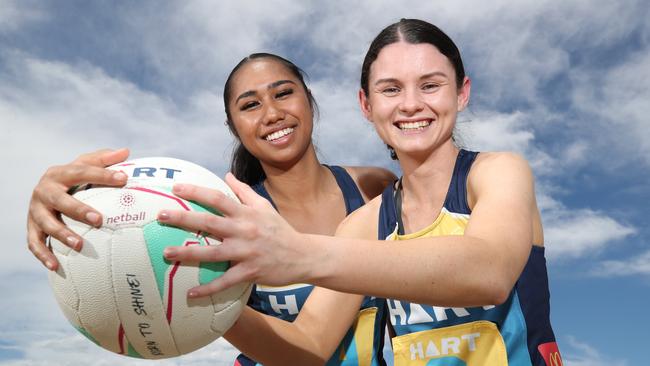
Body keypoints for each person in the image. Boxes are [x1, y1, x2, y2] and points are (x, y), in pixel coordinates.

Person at [156, 19, 563, 365]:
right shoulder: (366, 222)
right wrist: (184, 298)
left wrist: (297, 254)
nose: (410, 104)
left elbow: (487, 272)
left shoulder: (499, 173)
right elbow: (311, 345)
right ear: (366, 105)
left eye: (430, 85)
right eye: (390, 89)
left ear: (461, 92)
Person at [26, 53, 395, 365]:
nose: (272, 113)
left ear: (309, 100)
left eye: (283, 93)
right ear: (233, 125)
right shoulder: (223, 218)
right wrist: (63, 199)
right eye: (250, 105)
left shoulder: (373, 188)